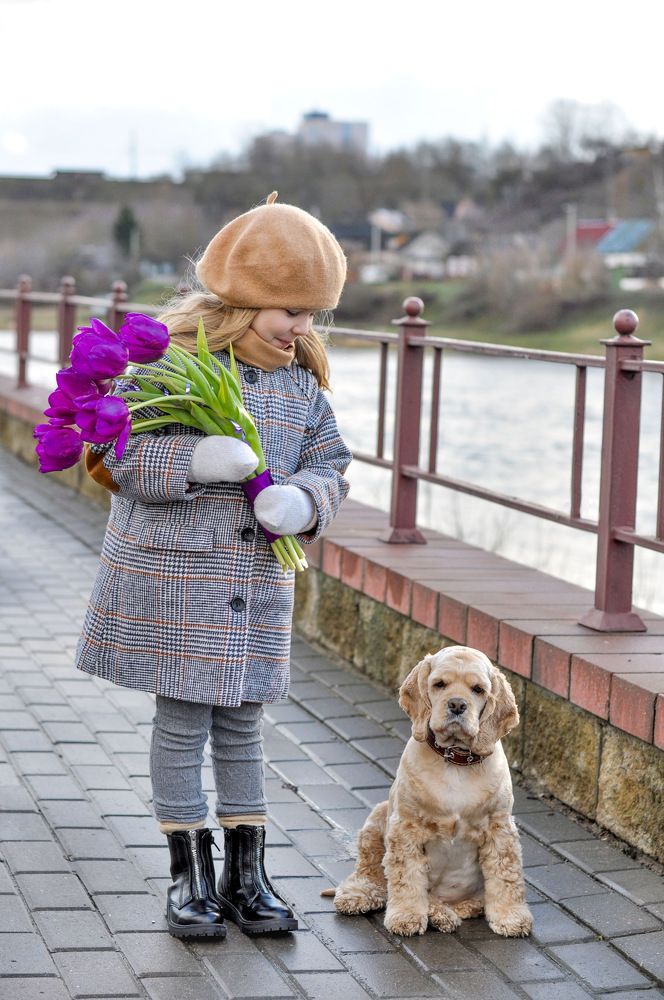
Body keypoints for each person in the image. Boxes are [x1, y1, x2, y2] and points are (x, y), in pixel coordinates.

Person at [76, 192, 352, 939]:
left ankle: (247, 873)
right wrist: (193, 459)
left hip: (255, 585)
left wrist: (304, 500)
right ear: (245, 300)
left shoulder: (303, 388)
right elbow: (118, 455)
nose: (302, 327)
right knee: (182, 724)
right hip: (179, 581)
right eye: (289, 310)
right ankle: (187, 875)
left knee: (243, 726)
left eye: (312, 313)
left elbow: (332, 463)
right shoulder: (169, 364)